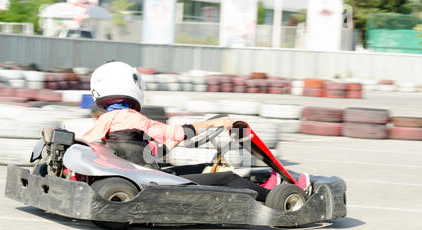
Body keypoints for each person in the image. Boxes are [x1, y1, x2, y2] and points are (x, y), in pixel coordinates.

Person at [82, 61, 310, 202]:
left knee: (202, 167)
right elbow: (181, 132)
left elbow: (141, 154)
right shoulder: (133, 118)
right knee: (227, 177)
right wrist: (215, 123)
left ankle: (262, 186)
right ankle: (276, 196)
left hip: (138, 174)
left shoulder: (105, 121)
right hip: (151, 183)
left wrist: (172, 143)